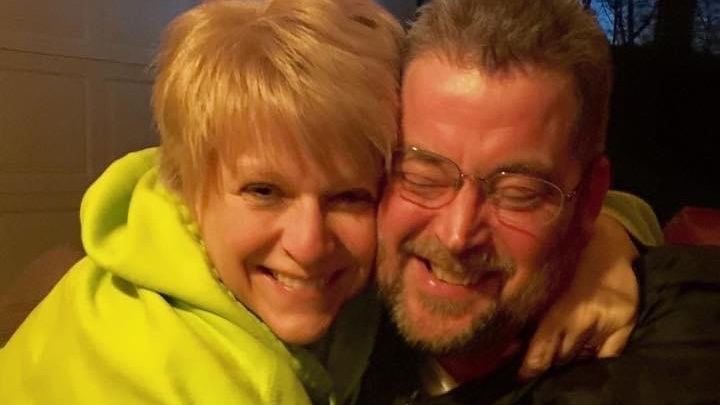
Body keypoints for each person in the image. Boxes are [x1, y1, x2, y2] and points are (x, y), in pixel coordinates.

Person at [0, 0, 666, 403]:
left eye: (349, 195)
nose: (310, 243)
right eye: (264, 191)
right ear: (187, 185)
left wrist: (603, 244)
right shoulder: (170, 369)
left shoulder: (358, 288)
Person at [358, 0, 720, 403]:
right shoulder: (334, 306)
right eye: (422, 177)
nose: (456, 235)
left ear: (589, 200)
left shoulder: (682, 352)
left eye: (518, 193)